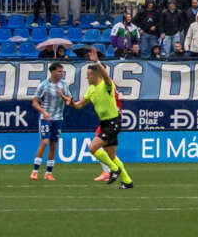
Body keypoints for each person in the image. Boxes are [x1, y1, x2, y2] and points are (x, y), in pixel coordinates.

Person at [79, 56, 134, 189]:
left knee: (93, 147)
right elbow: (80, 104)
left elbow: (107, 81)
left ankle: (113, 169)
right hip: (106, 121)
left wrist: (97, 62)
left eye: (89, 75)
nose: (87, 78)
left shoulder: (106, 84)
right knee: (111, 154)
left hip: (112, 120)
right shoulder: (94, 88)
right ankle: (127, 181)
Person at [29, 59, 73, 181]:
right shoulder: (44, 85)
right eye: (59, 71)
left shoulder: (64, 84)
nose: (61, 74)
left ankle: (48, 173)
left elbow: (69, 100)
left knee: (53, 145)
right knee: (44, 142)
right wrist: (43, 112)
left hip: (58, 118)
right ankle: (35, 171)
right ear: (52, 72)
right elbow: (34, 102)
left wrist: (62, 95)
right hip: (46, 118)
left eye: (62, 71)